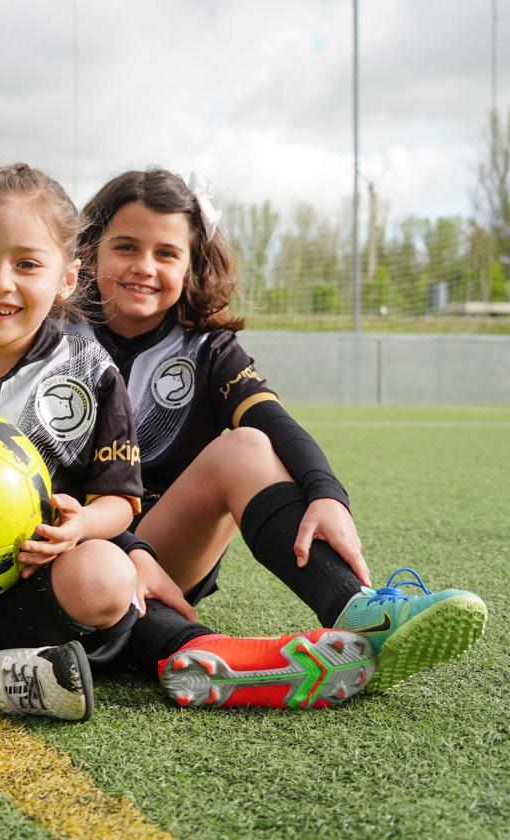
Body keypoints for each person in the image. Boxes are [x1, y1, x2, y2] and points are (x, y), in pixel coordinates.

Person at [0, 163, 375, 721]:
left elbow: (119, 501)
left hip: (41, 578)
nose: (1, 282)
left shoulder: (99, 368)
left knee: (104, 574)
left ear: (66, 276)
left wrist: (83, 528)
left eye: (28, 265)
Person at [72, 168, 487, 703]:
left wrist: (327, 493)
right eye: (125, 247)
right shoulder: (55, 341)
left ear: (194, 264)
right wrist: (116, 546)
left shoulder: (208, 349)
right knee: (86, 563)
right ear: (89, 251)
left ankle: (357, 612)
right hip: (74, 541)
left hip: (165, 546)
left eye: (167, 254)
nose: (144, 268)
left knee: (246, 446)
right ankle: (204, 654)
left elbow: (275, 423)